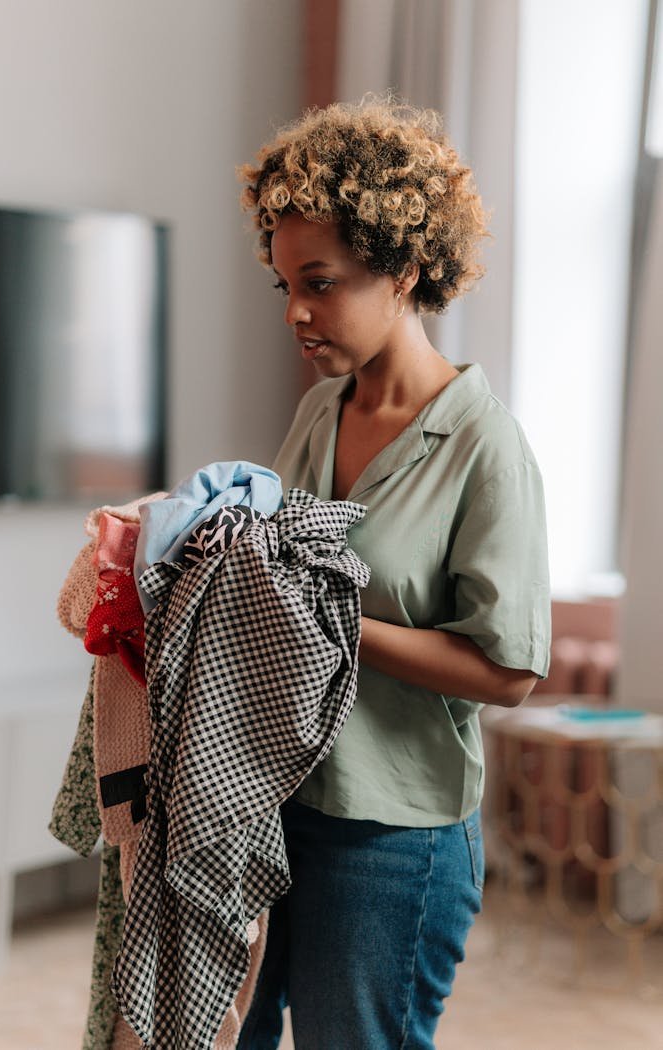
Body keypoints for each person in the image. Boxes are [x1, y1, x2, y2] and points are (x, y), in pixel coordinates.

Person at [236, 98, 551, 1050]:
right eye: (287, 283)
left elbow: (510, 673)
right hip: (276, 800)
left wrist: (338, 625)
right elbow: (273, 554)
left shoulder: (486, 448)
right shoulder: (319, 413)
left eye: (321, 283)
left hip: (391, 838)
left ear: (405, 269)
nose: (296, 311)